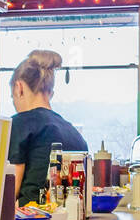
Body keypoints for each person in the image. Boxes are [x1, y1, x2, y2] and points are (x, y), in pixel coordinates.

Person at [7, 50, 88, 205]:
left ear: (19, 88)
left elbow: (9, 192)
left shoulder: (19, 124)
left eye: (13, 97)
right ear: (50, 92)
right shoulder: (73, 133)